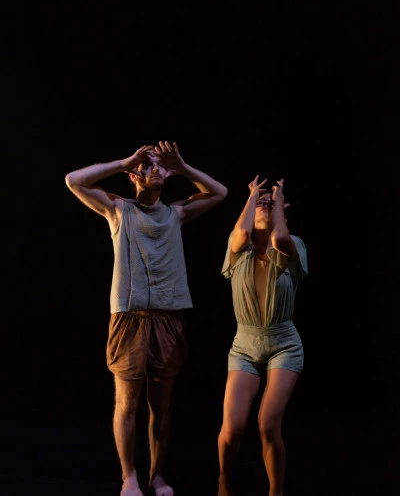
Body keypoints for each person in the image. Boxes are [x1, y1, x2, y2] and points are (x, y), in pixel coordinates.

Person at [65, 140, 228, 496]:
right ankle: (129, 477)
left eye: (160, 164)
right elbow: (73, 180)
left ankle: (157, 475)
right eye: (148, 164)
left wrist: (181, 167)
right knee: (127, 403)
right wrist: (124, 162)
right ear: (135, 175)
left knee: (162, 408)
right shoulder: (119, 210)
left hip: (168, 319)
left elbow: (220, 192)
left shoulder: (175, 213)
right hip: (129, 318)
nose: (156, 168)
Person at [217, 175, 308, 496]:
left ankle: (276, 492)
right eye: (260, 204)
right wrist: (253, 195)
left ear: (282, 209)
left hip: (284, 344)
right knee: (232, 428)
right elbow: (242, 232)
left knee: (268, 425)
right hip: (244, 345)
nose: (265, 206)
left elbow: (280, 237)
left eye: (272, 204)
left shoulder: (293, 245)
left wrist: (276, 201)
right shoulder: (237, 246)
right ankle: (224, 481)